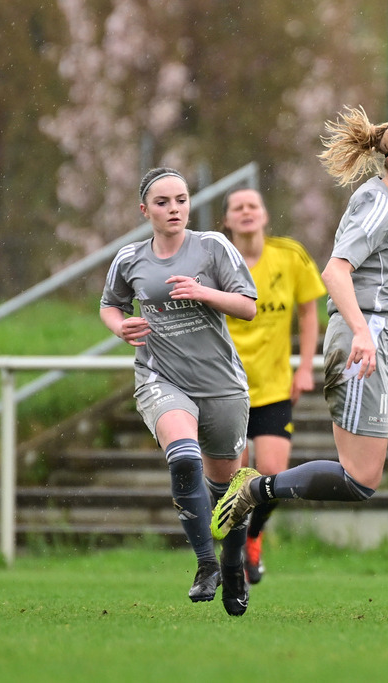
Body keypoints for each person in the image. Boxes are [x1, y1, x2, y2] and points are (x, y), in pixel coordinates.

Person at [211, 105, 388, 612]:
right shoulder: (377, 202)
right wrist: (362, 330)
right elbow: (335, 273)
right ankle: (256, 489)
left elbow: (377, 267)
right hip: (367, 343)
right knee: (359, 481)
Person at [100, 167, 257, 615]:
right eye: (164, 202)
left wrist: (204, 293)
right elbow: (110, 304)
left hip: (221, 385)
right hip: (160, 377)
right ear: (144, 209)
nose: (175, 209)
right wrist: (119, 326)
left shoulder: (212, 247)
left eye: (182, 200)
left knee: (229, 494)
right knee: (184, 457)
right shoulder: (130, 258)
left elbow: (248, 306)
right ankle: (206, 563)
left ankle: (231, 566)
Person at [220, 187, 326, 584]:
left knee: (272, 475)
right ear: (227, 220)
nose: (246, 212)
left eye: (253, 206)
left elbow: (309, 312)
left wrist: (305, 368)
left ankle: (253, 536)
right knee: (233, 477)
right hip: (225, 388)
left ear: (264, 215)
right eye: (237, 207)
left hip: (275, 387)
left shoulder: (290, 256)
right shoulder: (216, 257)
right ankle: (229, 556)